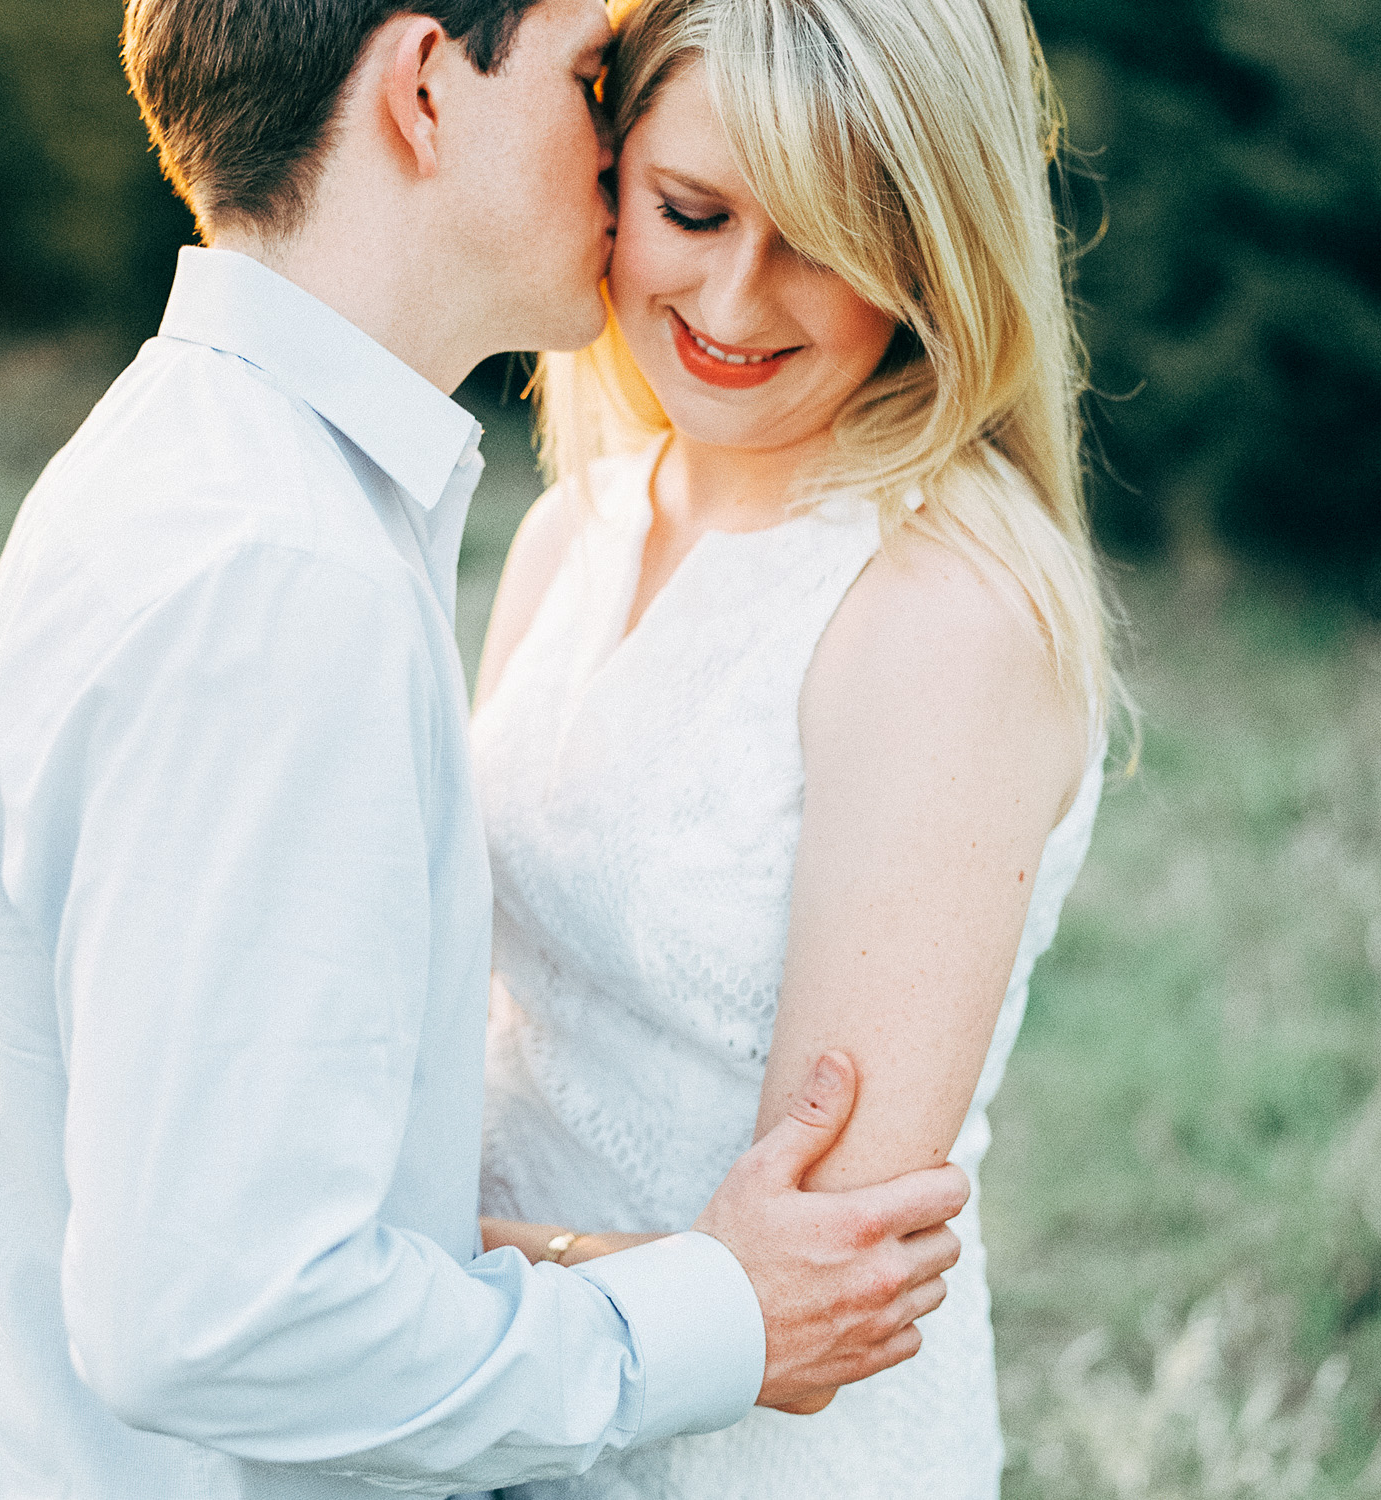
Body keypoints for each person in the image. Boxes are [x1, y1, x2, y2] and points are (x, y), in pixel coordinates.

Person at [0, 2, 974, 1496]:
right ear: (427, 87)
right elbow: (221, 1320)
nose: (618, 157)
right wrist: (709, 1315)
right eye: (585, 80)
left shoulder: (198, 463)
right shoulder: (276, 572)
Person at [471, 0, 1117, 1494]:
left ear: (930, 259)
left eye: (823, 241)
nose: (738, 298)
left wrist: (373, 1285)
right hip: (514, 1411)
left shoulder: (942, 609)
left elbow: (813, 1315)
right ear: (612, 171)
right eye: (692, 211)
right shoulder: (581, 525)